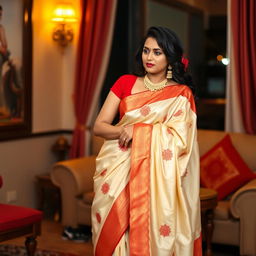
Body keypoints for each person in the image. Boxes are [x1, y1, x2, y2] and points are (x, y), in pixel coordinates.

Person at [92, 26, 202, 255]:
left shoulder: (181, 94)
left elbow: (182, 140)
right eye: (146, 50)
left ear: (170, 57)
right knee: (115, 232)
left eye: (157, 52)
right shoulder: (125, 82)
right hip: (118, 168)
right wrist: (130, 129)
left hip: (157, 174)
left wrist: (141, 132)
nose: (149, 57)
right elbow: (99, 126)